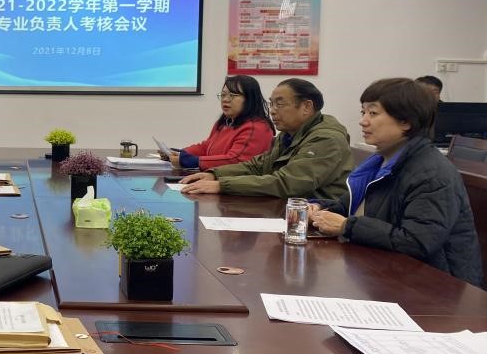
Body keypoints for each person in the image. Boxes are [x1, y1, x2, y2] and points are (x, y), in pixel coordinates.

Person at [310, 78, 482, 287]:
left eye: (373, 113)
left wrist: (347, 226)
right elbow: (349, 208)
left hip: (437, 288)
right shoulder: (380, 161)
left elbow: (417, 242)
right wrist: (317, 209)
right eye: (363, 112)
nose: (363, 121)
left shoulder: (432, 173)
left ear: (406, 122)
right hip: (385, 273)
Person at [180, 78, 352, 199]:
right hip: (285, 208)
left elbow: (287, 183)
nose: (273, 111)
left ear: (307, 107)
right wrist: (214, 174)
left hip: (315, 218)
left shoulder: (327, 139)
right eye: (271, 103)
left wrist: (222, 185)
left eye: (280, 104)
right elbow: (258, 166)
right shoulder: (288, 134)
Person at [164, 75, 274, 171]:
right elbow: (206, 147)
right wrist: (181, 154)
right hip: (216, 178)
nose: (225, 99)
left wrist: (193, 161)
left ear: (249, 99)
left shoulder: (256, 128)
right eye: (223, 95)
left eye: (232, 95)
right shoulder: (224, 122)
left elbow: (235, 160)